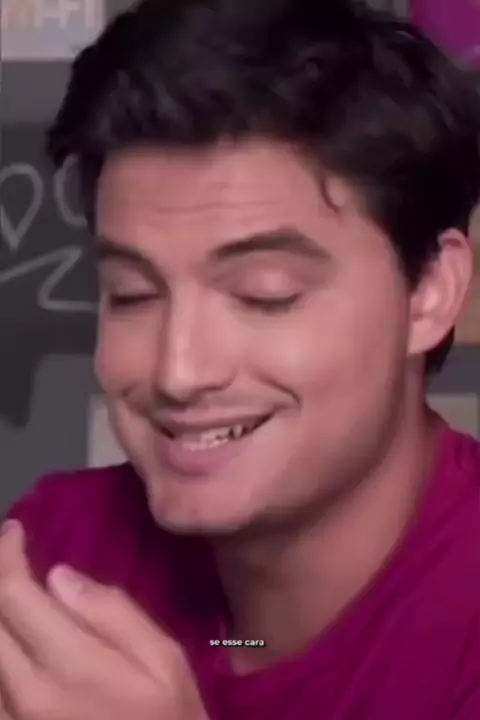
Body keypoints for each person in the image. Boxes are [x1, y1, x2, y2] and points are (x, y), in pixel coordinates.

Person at [0, 0, 479, 718]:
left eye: (264, 294)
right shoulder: (58, 553)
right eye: (132, 294)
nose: (178, 371)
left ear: (429, 294)